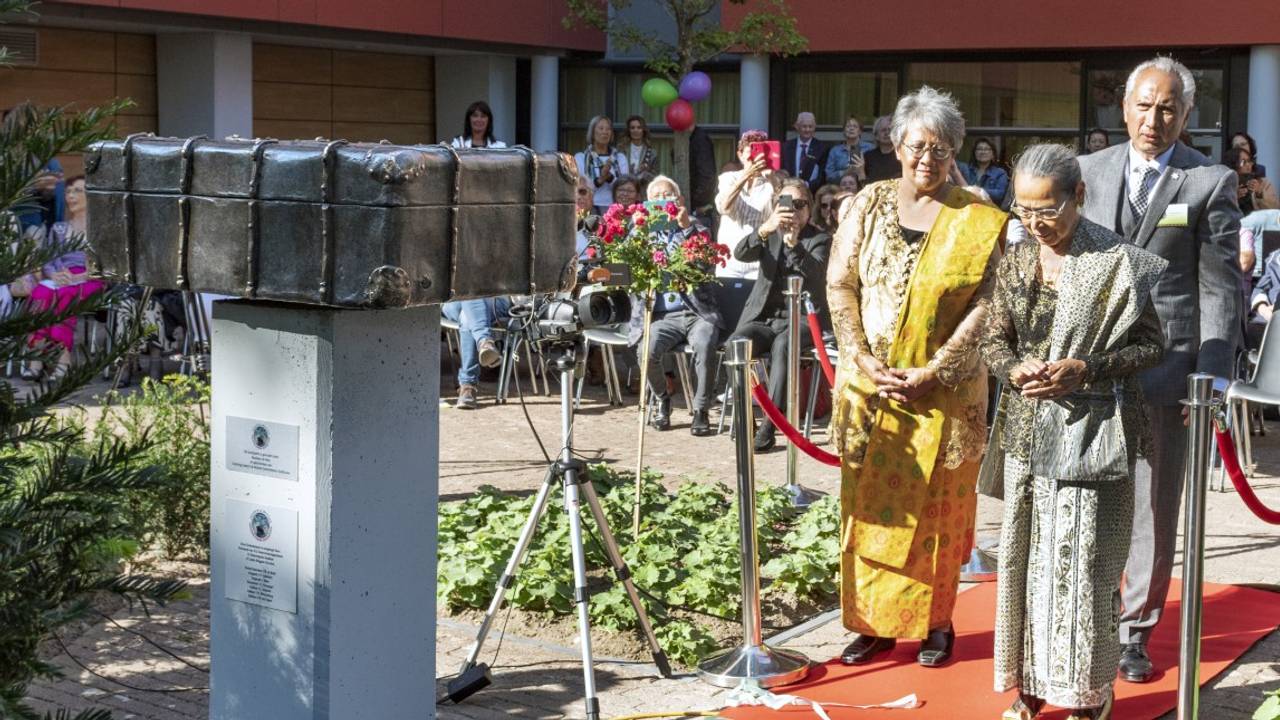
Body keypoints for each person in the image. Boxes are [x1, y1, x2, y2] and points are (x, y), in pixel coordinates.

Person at [982, 144, 1166, 720]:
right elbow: (994, 339)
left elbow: (1153, 345)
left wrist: (1085, 367)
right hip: (1028, 434)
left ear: (1079, 197)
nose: (1035, 224)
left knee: (1086, 569)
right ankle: (1030, 688)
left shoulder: (1117, 260)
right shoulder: (1016, 260)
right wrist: (1013, 368)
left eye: (1048, 211)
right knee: (1025, 565)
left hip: (1096, 436)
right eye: (1024, 211)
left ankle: (1088, 694)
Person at [827, 86, 1006, 668]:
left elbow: (990, 301)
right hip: (869, 388)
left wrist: (935, 369)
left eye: (941, 147)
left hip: (946, 392)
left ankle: (938, 623)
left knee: (938, 513)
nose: (927, 158)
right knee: (870, 512)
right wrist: (859, 357)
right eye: (917, 145)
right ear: (896, 145)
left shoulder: (976, 217)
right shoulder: (865, 205)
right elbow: (841, 284)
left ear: (955, 151)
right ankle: (871, 625)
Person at [1077, 56, 1242, 684]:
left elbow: (1220, 288)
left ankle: (1133, 633)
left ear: (1186, 113)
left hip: (1168, 373)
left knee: (1152, 506)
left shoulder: (1208, 181)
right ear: (1124, 108)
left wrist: (1211, 377)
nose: (1155, 118)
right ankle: (1086, 619)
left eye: (1168, 107)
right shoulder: (1087, 173)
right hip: (1088, 371)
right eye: (1144, 105)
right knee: (1086, 502)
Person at [729, 177, 831, 451]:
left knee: (783, 345)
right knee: (735, 344)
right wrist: (764, 229)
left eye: (800, 205)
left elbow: (816, 273)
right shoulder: (769, 232)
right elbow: (741, 254)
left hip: (803, 321)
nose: (793, 211)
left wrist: (795, 244)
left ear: (809, 209)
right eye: (785, 203)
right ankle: (745, 416)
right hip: (766, 318)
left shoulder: (820, 238)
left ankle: (769, 425)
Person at [630, 175, 725, 436]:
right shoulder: (642, 233)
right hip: (662, 314)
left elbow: (706, 262)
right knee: (645, 353)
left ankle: (701, 410)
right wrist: (637, 231)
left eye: (668, 196)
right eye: (656, 197)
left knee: (705, 345)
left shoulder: (698, 227)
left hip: (696, 311)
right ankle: (662, 398)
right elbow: (624, 267)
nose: (662, 201)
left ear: (679, 200)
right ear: (648, 203)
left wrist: (686, 230)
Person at [24, 176, 106, 380]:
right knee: (40, 292)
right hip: (60, 277)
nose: (71, 196)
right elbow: (48, 260)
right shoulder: (59, 228)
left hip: (90, 280)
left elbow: (105, 266)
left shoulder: (100, 230)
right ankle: (37, 357)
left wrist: (78, 278)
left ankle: (64, 359)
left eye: (77, 191)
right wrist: (54, 274)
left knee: (64, 294)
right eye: (68, 191)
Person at [715, 130, 779, 280]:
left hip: (759, 261)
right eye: (750, 155)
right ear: (740, 155)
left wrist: (772, 180)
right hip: (728, 260)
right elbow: (724, 207)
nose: (754, 161)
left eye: (757, 156)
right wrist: (745, 175)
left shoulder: (774, 181)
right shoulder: (728, 178)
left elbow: (783, 211)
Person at [576, 116, 630, 215]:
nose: (605, 132)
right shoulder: (581, 158)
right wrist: (600, 180)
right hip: (590, 207)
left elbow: (625, 187)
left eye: (608, 129)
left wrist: (609, 177)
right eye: (601, 128)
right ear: (592, 133)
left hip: (615, 208)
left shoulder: (620, 158)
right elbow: (581, 187)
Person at [783, 112, 829, 192]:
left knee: (806, 205)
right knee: (784, 204)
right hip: (787, 191)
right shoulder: (786, 146)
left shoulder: (822, 148)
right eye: (804, 126)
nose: (807, 130)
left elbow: (822, 175)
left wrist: (806, 185)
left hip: (811, 192)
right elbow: (781, 171)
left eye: (810, 127)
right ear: (797, 127)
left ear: (814, 128)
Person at [1224, 147, 1279, 212]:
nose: (1248, 165)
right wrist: (1233, 197)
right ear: (1233, 164)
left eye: (1249, 161)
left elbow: (1276, 210)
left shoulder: (1263, 183)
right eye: (1243, 162)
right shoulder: (1224, 185)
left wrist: (1259, 194)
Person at [960, 137, 1010, 207]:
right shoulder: (965, 169)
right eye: (979, 149)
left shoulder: (1000, 173)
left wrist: (979, 190)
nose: (983, 152)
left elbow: (1000, 194)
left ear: (993, 154)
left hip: (991, 211)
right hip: (967, 209)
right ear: (974, 153)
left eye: (987, 149)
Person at [825, 115, 869, 186]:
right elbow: (829, 176)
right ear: (844, 131)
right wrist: (845, 172)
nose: (851, 128)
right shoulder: (835, 151)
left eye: (855, 126)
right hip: (840, 188)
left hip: (864, 186)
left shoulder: (869, 148)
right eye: (848, 126)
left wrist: (861, 170)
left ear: (860, 131)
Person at [689, 121, 719, 225]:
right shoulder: (691, 138)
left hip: (699, 206)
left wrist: (697, 201)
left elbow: (707, 173)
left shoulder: (700, 140)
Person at [619, 115, 658, 185]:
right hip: (625, 189)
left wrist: (647, 171)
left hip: (642, 191)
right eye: (632, 128)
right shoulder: (621, 149)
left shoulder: (652, 153)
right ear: (629, 130)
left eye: (639, 127)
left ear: (643, 130)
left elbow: (656, 178)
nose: (635, 130)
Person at [862, 115, 901, 183]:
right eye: (883, 130)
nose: (887, 133)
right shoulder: (868, 157)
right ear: (876, 135)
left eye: (890, 130)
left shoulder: (902, 155)